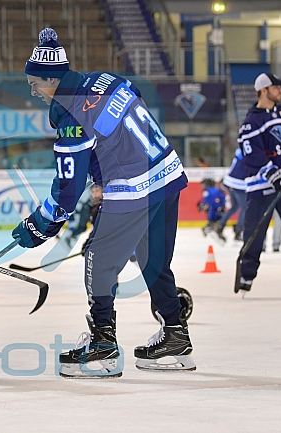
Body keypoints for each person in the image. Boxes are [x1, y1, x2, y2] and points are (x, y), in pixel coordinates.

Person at [12, 28, 194, 377]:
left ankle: (103, 346)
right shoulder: (105, 79)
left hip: (134, 188)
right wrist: (105, 172)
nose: (32, 90)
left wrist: (38, 226)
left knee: (97, 258)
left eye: (35, 82)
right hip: (166, 173)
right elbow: (132, 106)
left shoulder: (70, 116)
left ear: (52, 79)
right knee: (152, 259)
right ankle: (175, 335)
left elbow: (67, 190)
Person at [236, 73, 281, 294]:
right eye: (276, 87)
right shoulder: (251, 122)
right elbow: (252, 154)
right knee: (254, 233)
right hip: (261, 188)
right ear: (264, 90)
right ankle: (246, 275)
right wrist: (272, 174)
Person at [215, 148, 246, 241]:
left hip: (229, 181)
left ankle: (221, 225)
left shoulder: (240, 150)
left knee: (235, 206)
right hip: (238, 183)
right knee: (245, 207)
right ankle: (239, 230)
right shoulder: (249, 151)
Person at [63, 182, 102, 248]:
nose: (94, 193)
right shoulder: (91, 185)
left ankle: (71, 236)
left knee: (84, 227)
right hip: (86, 207)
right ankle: (70, 237)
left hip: (87, 206)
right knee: (82, 227)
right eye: (94, 191)